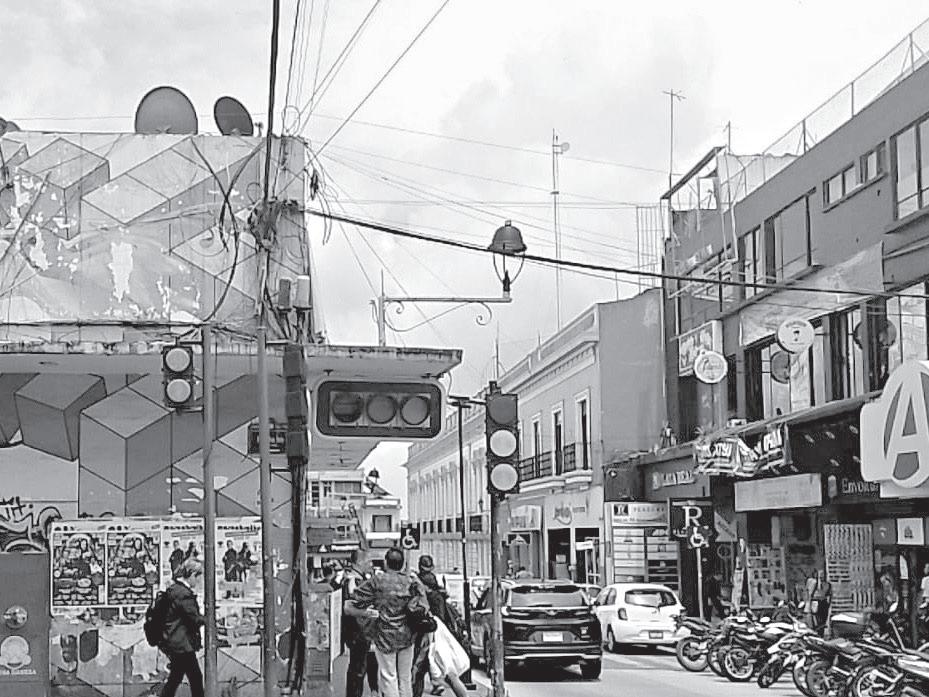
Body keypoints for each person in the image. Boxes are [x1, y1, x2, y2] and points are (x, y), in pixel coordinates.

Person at [346, 547, 427, 697]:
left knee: (389, 676)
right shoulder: (411, 581)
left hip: (384, 636)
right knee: (405, 677)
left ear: (386, 563)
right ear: (402, 564)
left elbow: (356, 597)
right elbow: (423, 603)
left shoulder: (377, 581)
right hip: (407, 635)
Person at [159, 558, 205, 697]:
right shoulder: (184, 594)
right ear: (192, 575)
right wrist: (209, 619)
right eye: (199, 577)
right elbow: (194, 618)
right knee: (195, 677)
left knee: (176, 677)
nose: (199, 581)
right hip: (182, 643)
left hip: (174, 640)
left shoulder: (174, 589)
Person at [342, 550, 379, 697]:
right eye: (368, 561)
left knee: (365, 666)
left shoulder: (359, 580)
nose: (370, 564)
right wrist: (370, 613)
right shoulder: (353, 582)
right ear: (359, 562)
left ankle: (371, 691)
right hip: (358, 632)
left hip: (362, 631)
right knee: (358, 670)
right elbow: (350, 607)